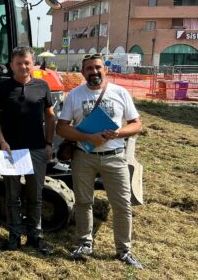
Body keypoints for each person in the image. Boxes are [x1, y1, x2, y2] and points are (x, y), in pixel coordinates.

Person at [56, 53, 143, 268]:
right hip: (84, 157)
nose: (93, 72)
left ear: (104, 69)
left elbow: (137, 124)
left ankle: (124, 250)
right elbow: (61, 127)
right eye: (89, 69)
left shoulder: (120, 92)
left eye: (97, 68)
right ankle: (85, 243)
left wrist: (120, 132)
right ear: (83, 71)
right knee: (84, 202)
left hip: (114, 157)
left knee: (122, 205)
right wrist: (87, 137)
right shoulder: (74, 95)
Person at [0, 46, 56, 252]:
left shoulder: (42, 86)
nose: (23, 66)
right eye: (19, 63)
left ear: (33, 64)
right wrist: (2, 141)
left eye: (27, 62)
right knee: (12, 196)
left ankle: (34, 236)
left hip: (36, 149)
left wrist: (49, 144)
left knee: (35, 196)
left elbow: (50, 117)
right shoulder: (3, 88)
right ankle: (14, 235)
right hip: (12, 152)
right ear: (11, 65)